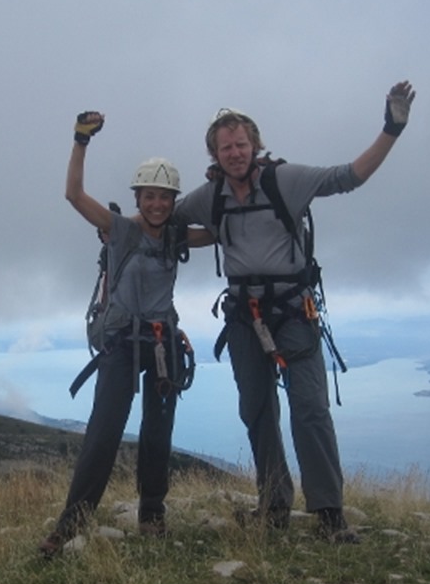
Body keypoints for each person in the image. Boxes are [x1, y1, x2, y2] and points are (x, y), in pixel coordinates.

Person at [171, 82, 416, 543]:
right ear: (214, 153)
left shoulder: (286, 180)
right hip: (244, 316)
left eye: (241, 144)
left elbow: (350, 176)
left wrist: (391, 129)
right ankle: (274, 506)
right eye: (226, 147)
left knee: (310, 410)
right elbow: (166, 222)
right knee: (257, 411)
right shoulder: (210, 197)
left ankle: (329, 514)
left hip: (293, 313)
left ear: (256, 145)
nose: (235, 153)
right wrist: (120, 232)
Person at [38, 111, 206, 558]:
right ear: (138, 197)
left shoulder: (175, 236)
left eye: (165, 198)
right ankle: (69, 525)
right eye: (150, 196)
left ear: (173, 201)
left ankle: (152, 516)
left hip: (163, 343)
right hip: (122, 345)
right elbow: (73, 194)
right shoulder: (120, 230)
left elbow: (223, 230)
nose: (157, 205)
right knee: (103, 435)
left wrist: (228, 187)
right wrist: (80, 141)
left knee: (158, 433)